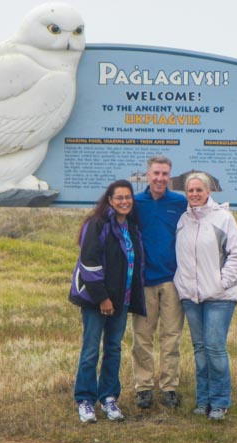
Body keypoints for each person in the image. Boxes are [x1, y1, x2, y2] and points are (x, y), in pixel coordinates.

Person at [69, 179, 146, 423]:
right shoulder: (97, 224)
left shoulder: (131, 226)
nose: (124, 202)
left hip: (121, 300)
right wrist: (102, 298)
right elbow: (89, 263)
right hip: (96, 301)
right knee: (91, 350)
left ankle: (109, 398)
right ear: (110, 201)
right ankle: (85, 400)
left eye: (128, 197)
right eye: (119, 198)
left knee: (113, 349)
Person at [174, 172, 237, 420]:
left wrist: (221, 283)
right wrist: (182, 284)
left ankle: (219, 402)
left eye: (199, 190)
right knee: (200, 349)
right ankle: (202, 400)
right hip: (191, 297)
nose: (194, 194)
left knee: (215, 348)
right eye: (190, 190)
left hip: (219, 297)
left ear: (208, 192)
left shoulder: (223, 218)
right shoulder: (183, 220)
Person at [132, 156, 187, 409]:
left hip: (172, 281)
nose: (160, 178)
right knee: (142, 336)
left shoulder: (179, 202)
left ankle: (169, 387)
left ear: (170, 175)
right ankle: (143, 387)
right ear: (147, 174)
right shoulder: (135, 203)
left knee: (171, 336)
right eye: (156, 173)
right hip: (144, 281)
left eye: (165, 173)